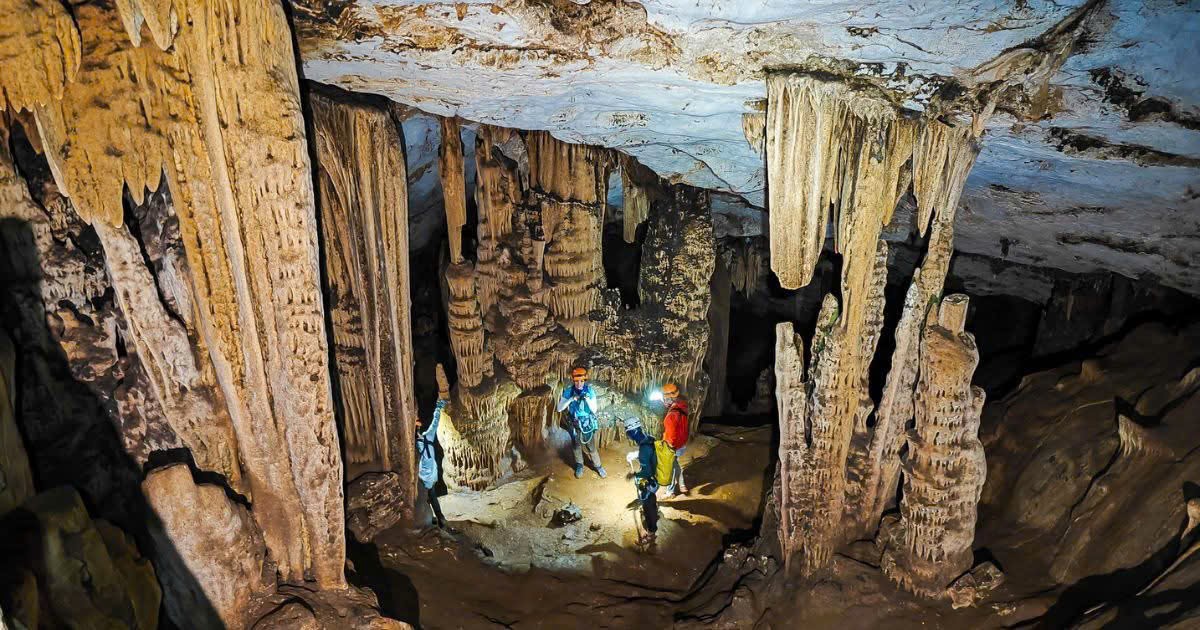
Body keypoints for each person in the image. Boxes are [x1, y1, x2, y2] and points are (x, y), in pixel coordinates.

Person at [557, 366, 606, 479]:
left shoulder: (589, 391)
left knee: (590, 446)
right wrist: (570, 399)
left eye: (581, 381)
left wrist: (587, 399)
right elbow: (559, 408)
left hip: (586, 423)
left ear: (585, 380)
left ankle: (598, 466)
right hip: (574, 423)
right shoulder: (569, 392)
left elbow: (594, 409)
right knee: (576, 445)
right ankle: (579, 465)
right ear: (573, 381)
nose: (579, 384)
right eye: (576, 381)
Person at [416, 366, 450, 529]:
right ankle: (438, 517)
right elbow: (434, 424)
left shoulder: (418, 444)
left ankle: (434, 518)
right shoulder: (426, 439)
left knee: (428, 496)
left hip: (425, 477)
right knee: (431, 496)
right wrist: (439, 405)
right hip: (430, 476)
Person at [623, 417, 659, 545]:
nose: (628, 436)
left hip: (651, 481)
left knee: (648, 506)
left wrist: (634, 475)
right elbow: (650, 454)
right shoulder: (649, 438)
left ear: (633, 432)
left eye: (628, 433)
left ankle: (651, 533)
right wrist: (636, 454)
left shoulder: (644, 449)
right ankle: (653, 510)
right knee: (651, 501)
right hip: (657, 476)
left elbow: (647, 472)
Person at [660, 382, 690, 496]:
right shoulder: (682, 407)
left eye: (664, 398)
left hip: (673, 445)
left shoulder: (671, 416)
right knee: (675, 463)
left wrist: (669, 448)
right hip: (682, 443)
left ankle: (670, 492)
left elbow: (671, 435)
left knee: (670, 468)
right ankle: (682, 485)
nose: (664, 400)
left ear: (669, 399)